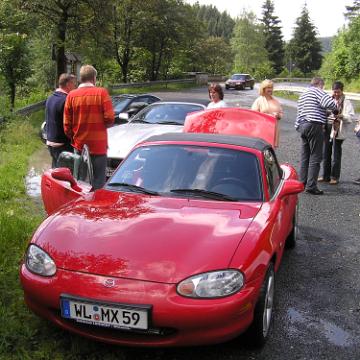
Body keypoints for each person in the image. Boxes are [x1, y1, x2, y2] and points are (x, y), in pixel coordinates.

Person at [64, 65, 114, 190]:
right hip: (99, 147)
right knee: (98, 183)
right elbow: (110, 119)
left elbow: (66, 125)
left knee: (79, 182)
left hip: (79, 146)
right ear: (94, 78)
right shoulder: (102, 93)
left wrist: (74, 137)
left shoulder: (71, 96)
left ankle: (80, 207)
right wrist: (99, 127)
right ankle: (96, 207)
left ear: (81, 79)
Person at [295, 77, 337, 195]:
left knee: (305, 156)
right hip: (314, 125)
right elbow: (329, 103)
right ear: (320, 84)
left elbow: (306, 110)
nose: (323, 88)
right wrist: (335, 109)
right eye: (323, 86)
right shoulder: (317, 91)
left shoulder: (303, 94)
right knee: (316, 156)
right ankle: (311, 186)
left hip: (302, 125)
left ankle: (302, 182)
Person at [318, 81, 355, 185]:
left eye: (338, 92)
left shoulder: (346, 101)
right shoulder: (329, 99)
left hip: (338, 128)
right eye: (334, 92)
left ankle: (334, 177)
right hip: (327, 127)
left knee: (336, 153)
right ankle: (325, 176)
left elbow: (350, 117)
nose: (336, 94)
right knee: (326, 152)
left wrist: (341, 116)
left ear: (342, 91)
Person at [45, 73, 77, 168]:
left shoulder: (50, 98)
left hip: (51, 142)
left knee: (55, 172)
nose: (75, 86)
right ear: (68, 84)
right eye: (74, 84)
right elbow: (70, 123)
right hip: (63, 144)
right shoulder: (66, 100)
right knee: (66, 176)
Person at [251, 79, 283, 147]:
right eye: (268, 87)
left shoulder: (275, 101)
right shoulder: (259, 100)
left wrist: (278, 115)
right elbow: (253, 115)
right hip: (262, 130)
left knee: (272, 150)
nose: (270, 89)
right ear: (263, 89)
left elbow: (281, 113)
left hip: (274, 129)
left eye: (271, 87)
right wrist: (267, 116)